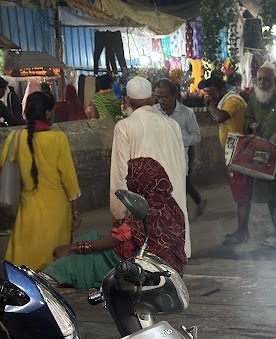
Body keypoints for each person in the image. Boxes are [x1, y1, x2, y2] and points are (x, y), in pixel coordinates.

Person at [44, 157, 187, 289]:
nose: (127, 178)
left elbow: (114, 240)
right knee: (91, 236)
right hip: (167, 268)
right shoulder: (171, 206)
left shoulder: (148, 210)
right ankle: (58, 273)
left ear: (141, 179)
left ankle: (50, 278)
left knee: (86, 256)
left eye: (130, 175)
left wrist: (73, 247)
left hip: (142, 269)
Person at [109, 76, 190, 258]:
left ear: (128, 100)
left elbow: (120, 172)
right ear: (152, 98)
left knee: (147, 256)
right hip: (172, 202)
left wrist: (118, 211)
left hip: (144, 205)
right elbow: (181, 166)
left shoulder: (124, 126)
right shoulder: (172, 124)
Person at [0, 92, 80, 272]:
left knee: (24, 256)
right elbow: (69, 178)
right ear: (48, 113)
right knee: (53, 262)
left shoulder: (15, 137)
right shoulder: (58, 138)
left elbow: (3, 166)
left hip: (27, 207)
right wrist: (75, 211)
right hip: (56, 210)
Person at [240, 62, 276, 246]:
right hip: (263, 154)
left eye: (266, 79)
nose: (262, 83)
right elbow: (248, 118)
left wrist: (273, 140)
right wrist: (252, 125)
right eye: (259, 79)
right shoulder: (253, 98)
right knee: (269, 194)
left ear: (275, 80)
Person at [198, 74, 249, 239]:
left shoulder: (232, 101)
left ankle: (242, 233)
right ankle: (242, 231)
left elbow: (219, 117)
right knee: (240, 194)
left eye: (212, 93)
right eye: (207, 94)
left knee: (241, 195)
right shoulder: (225, 101)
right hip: (234, 152)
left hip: (240, 153)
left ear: (221, 89)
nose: (210, 97)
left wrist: (210, 104)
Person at [153, 78, 204, 217]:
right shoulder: (153, 113)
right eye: (158, 97)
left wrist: (177, 139)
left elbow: (196, 137)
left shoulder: (187, 113)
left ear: (174, 95)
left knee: (180, 198)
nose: (161, 101)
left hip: (179, 163)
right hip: (158, 163)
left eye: (165, 97)